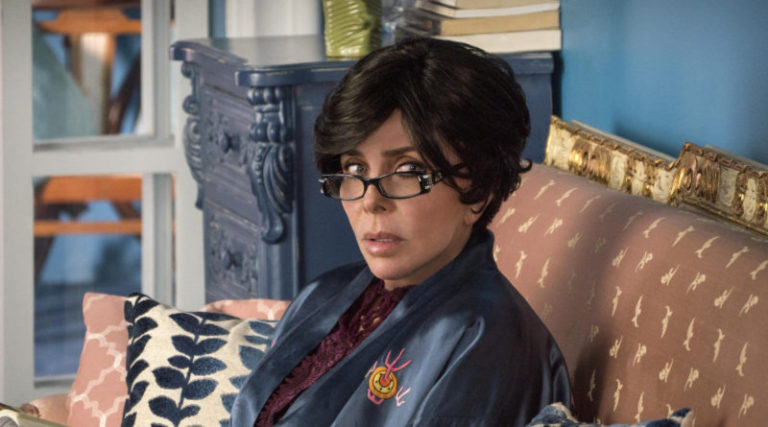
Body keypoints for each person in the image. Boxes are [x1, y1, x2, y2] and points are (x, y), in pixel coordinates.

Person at [231, 37, 571, 427]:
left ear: (479, 192)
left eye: (409, 170)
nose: (370, 201)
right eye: (355, 169)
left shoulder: (489, 343)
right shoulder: (323, 295)